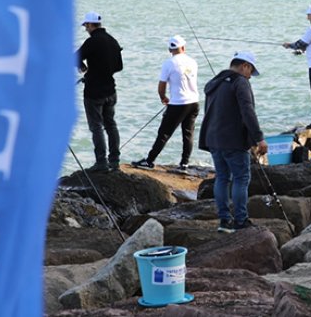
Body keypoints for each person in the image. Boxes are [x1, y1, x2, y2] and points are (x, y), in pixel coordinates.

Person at [199, 51, 267, 233]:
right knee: (241, 178)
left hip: (213, 138)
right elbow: (248, 111)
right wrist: (259, 138)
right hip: (233, 140)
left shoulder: (214, 82)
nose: (250, 77)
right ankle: (240, 220)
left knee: (222, 178)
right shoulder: (240, 82)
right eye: (250, 72)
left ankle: (224, 220)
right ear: (244, 66)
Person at [132, 35, 200, 170]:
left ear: (170, 49)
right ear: (183, 47)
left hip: (178, 103)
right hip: (194, 102)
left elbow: (162, 85)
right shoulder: (193, 62)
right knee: (188, 133)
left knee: (164, 133)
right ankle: (184, 163)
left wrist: (163, 97)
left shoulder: (169, 63)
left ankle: (150, 161)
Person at [76, 12, 124, 173]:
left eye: (86, 26)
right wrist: (102, 70)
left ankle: (101, 162)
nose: (85, 29)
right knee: (111, 125)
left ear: (90, 25)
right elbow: (119, 67)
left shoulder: (92, 41)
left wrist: (84, 67)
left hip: (93, 92)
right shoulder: (112, 41)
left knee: (96, 127)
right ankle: (115, 161)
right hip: (111, 90)